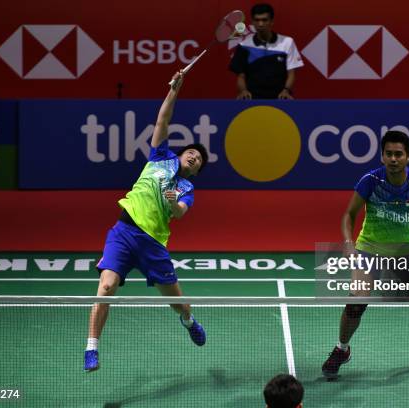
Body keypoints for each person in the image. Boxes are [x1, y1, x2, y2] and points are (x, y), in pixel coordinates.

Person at [84, 71, 208, 372]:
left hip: (153, 244)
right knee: (107, 286)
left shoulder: (188, 189)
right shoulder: (159, 156)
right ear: (180, 155)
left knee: (178, 304)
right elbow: (163, 120)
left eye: (198, 159)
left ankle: (189, 321)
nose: (193, 157)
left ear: (197, 171)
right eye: (190, 152)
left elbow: (179, 212)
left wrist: (170, 200)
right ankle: (91, 347)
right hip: (124, 231)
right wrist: (174, 90)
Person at [321, 130, 409, 379]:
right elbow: (348, 215)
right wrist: (349, 242)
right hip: (370, 248)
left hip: (406, 252)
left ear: (408, 157)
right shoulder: (371, 180)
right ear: (382, 156)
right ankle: (342, 349)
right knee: (356, 302)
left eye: (398, 154)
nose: (393, 159)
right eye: (388, 154)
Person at [229, 3, 304, 100]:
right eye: (257, 20)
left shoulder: (287, 42)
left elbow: (291, 73)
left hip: (279, 98)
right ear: (253, 22)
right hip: (252, 99)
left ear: (272, 21)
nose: (260, 24)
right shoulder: (244, 46)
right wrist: (243, 91)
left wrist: (286, 90)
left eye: (264, 20)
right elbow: (241, 76)